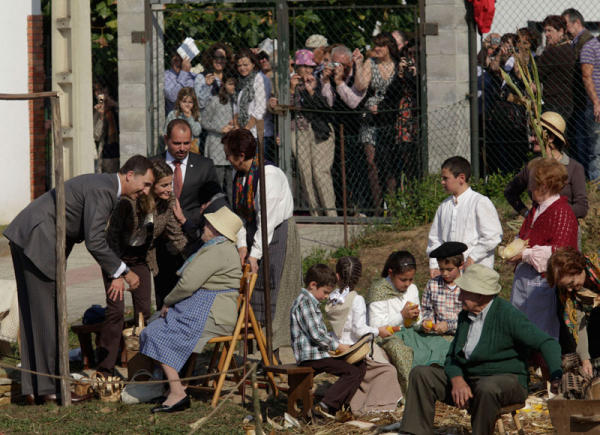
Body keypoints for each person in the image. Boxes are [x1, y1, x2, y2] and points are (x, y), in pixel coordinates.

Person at [4, 155, 154, 403]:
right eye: (145, 184)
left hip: (30, 237)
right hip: (38, 241)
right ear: (130, 175)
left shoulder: (103, 186)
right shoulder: (104, 190)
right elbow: (95, 240)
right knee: (46, 317)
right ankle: (49, 389)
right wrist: (123, 271)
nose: (145, 191)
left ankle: (35, 388)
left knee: (37, 316)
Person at [394, 264, 562, 435]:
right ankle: (414, 432)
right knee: (421, 374)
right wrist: (457, 379)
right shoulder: (465, 317)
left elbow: (547, 342)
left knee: (486, 387)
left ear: (481, 295)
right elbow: (452, 356)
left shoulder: (507, 315)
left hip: (506, 381)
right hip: (470, 381)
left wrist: (556, 375)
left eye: (465, 292)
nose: (460, 297)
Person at [140, 206, 243, 413]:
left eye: (208, 224)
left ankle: (177, 392)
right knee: (155, 324)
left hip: (213, 314)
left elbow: (188, 284)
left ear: (216, 229)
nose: (204, 227)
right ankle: (171, 386)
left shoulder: (218, 250)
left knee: (155, 331)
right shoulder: (217, 247)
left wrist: (168, 302)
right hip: (206, 307)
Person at [96, 160, 189, 376]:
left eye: (171, 185)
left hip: (140, 259)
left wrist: (196, 259)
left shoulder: (168, 203)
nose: (169, 189)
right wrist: (117, 273)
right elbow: (110, 240)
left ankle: (142, 365)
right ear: (152, 185)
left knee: (144, 312)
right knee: (116, 310)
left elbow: (176, 235)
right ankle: (105, 368)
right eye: (164, 185)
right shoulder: (128, 203)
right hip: (116, 257)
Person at [222, 128, 301, 352]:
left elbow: (267, 218)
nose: (227, 158)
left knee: (273, 289)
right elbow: (239, 215)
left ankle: (275, 351)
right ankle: (251, 348)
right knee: (250, 292)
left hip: (277, 234)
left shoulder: (269, 176)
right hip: (254, 234)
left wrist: (255, 254)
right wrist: (242, 246)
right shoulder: (240, 176)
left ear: (241, 156)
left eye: (229, 154)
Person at [509, 158, 579, 340]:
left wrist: (524, 254)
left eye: (532, 183)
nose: (529, 188)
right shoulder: (536, 209)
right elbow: (524, 236)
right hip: (524, 277)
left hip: (543, 281)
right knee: (518, 324)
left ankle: (541, 366)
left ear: (545, 185)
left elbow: (561, 252)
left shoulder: (562, 212)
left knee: (539, 330)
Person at [154, 119, 219, 310]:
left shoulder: (204, 165)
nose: (182, 148)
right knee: (164, 298)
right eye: (177, 143)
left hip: (192, 241)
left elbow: (213, 202)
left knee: (191, 297)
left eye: (186, 143)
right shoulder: (153, 164)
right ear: (166, 139)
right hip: (162, 244)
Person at [325, 256, 401, 414]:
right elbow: (359, 330)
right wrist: (378, 331)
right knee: (388, 370)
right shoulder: (356, 299)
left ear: (337, 276)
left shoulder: (332, 298)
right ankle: (372, 405)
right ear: (358, 278)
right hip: (354, 350)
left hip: (336, 345)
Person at [368, 251, 451, 393]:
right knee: (402, 352)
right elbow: (376, 326)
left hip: (410, 332)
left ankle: (439, 383)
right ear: (391, 273)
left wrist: (421, 322)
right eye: (403, 279)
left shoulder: (411, 289)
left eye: (411, 279)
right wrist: (402, 315)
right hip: (386, 336)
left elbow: (415, 320)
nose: (407, 284)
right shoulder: (379, 290)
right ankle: (412, 392)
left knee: (441, 344)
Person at [290, 264, 365, 417]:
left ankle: (341, 406)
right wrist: (337, 346)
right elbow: (316, 335)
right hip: (311, 356)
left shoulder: (311, 303)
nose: (326, 297)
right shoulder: (304, 302)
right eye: (325, 292)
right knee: (351, 371)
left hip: (319, 354)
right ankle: (326, 406)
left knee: (359, 365)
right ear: (313, 285)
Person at [426, 156, 503, 278]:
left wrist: (472, 258)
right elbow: (435, 238)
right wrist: (435, 264)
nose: (442, 182)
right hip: (449, 275)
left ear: (461, 178)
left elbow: (493, 236)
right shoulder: (444, 206)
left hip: (477, 272)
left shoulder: (479, 202)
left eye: (446, 178)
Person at [504, 111, 588, 219]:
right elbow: (510, 191)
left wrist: (553, 214)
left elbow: (582, 208)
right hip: (539, 229)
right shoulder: (533, 166)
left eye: (535, 135)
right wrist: (527, 214)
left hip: (565, 228)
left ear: (551, 137)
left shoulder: (574, 168)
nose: (531, 139)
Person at [354, 32, 399, 211]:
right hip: (371, 117)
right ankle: (377, 206)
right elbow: (361, 86)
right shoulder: (370, 63)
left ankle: (393, 205)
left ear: (389, 47)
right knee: (372, 163)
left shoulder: (397, 64)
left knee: (390, 163)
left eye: (381, 45)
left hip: (391, 115)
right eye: (375, 46)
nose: (377, 49)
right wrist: (358, 65)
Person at [290, 49, 336, 217]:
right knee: (305, 172)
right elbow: (287, 109)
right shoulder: (289, 83)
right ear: (296, 67)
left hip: (319, 129)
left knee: (319, 171)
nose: (306, 70)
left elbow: (328, 105)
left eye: (309, 66)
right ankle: (315, 214)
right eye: (302, 66)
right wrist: (292, 90)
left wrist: (311, 91)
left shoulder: (320, 81)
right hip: (298, 130)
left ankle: (331, 214)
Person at [201, 72, 238, 202]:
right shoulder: (215, 100)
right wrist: (220, 129)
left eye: (235, 84)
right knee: (217, 185)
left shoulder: (237, 102)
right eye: (230, 84)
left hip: (233, 148)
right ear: (223, 84)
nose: (233, 87)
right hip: (217, 146)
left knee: (231, 186)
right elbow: (204, 121)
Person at [421, 242, 467, 336]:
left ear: (461, 265)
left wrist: (449, 325)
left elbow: (471, 316)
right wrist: (427, 322)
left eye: (449, 269)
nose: (445, 273)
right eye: (441, 269)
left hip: (462, 335)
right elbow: (426, 308)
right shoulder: (432, 284)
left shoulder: (468, 286)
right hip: (437, 335)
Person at [537, 15, 576, 120]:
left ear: (561, 31)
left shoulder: (552, 52)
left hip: (553, 103)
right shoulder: (570, 49)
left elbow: (536, 74)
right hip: (567, 101)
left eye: (550, 30)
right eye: (545, 31)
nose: (546, 34)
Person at [235, 48, 267, 140]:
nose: (242, 68)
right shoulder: (241, 82)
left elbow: (260, 109)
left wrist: (246, 129)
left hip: (257, 134)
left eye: (246, 64)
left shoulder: (260, 79)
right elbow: (238, 108)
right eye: (239, 65)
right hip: (245, 132)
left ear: (253, 64)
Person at [194, 42, 232, 110]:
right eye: (215, 57)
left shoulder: (230, 77)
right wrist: (207, 86)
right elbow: (200, 104)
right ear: (211, 59)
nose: (219, 60)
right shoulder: (201, 77)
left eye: (222, 57)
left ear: (227, 59)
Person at [164, 87, 202, 154]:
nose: (187, 104)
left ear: (194, 103)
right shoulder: (173, 114)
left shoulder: (196, 115)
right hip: (175, 147)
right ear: (179, 102)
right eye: (184, 101)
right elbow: (166, 131)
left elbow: (197, 132)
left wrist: (189, 117)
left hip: (191, 147)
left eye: (190, 102)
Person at [92, 84, 119, 173]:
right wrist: (101, 116)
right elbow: (97, 135)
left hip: (119, 149)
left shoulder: (116, 108)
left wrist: (114, 104)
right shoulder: (97, 111)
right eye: (99, 93)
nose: (102, 96)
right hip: (107, 154)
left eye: (104, 92)